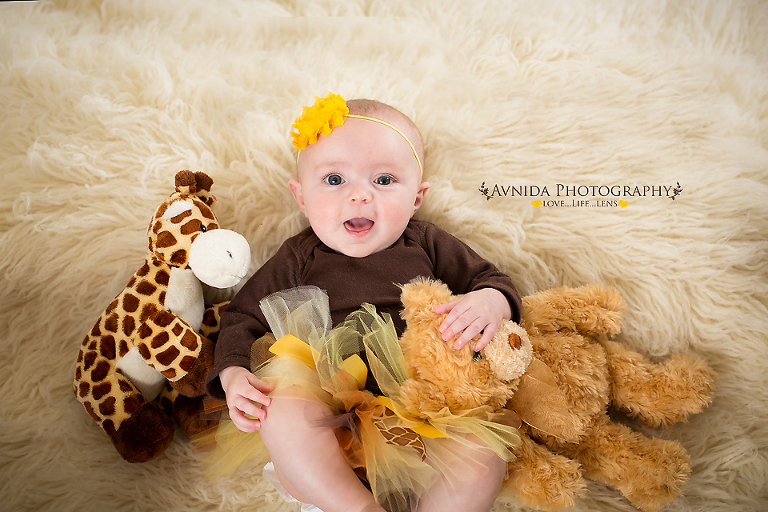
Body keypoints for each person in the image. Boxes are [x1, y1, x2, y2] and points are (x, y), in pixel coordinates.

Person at [204, 93, 523, 512]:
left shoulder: (426, 243)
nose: (359, 196)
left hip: (429, 413)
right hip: (331, 424)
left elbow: (492, 280)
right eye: (335, 180)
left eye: (384, 180)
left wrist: (490, 301)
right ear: (301, 198)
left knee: (487, 448)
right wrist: (232, 376)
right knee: (279, 409)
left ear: (416, 197)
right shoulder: (299, 256)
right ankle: (354, 507)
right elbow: (243, 317)